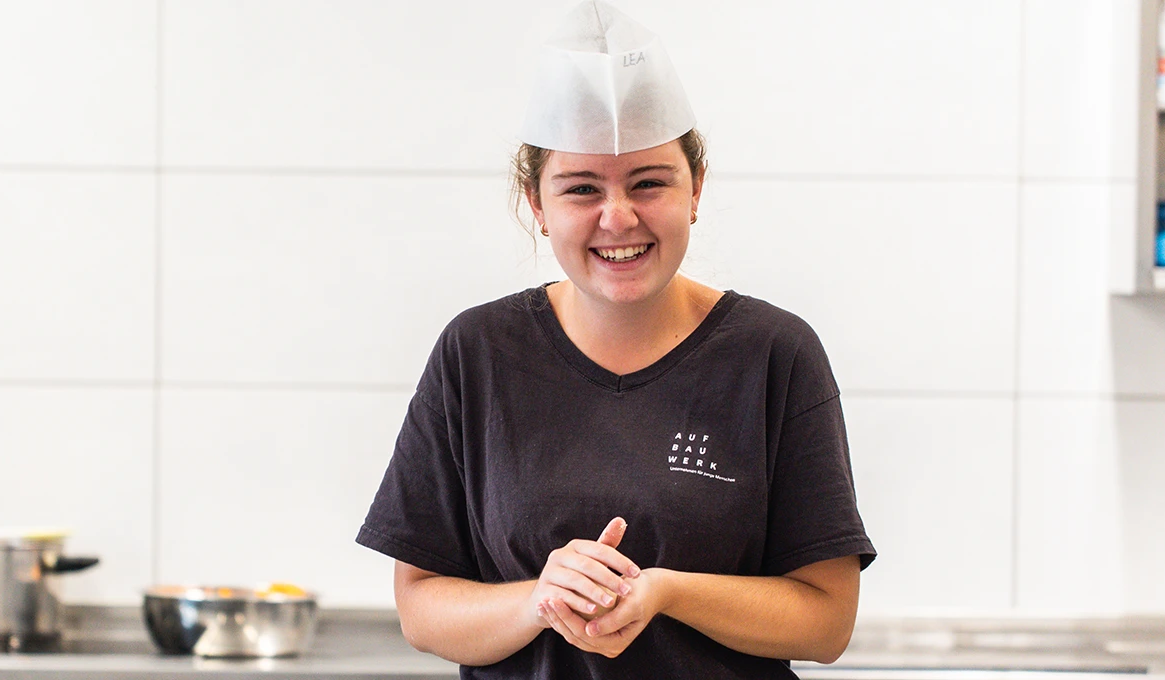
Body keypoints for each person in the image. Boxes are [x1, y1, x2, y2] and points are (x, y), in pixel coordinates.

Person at [354, 2, 875, 678]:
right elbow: (422, 608)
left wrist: (667, 592)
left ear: (696, 189)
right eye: (580, 189)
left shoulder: (774, 355)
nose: (618, 216)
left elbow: (826, 621)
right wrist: (543, 600)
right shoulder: (476, 353)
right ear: (537, 206)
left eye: (649, 182)